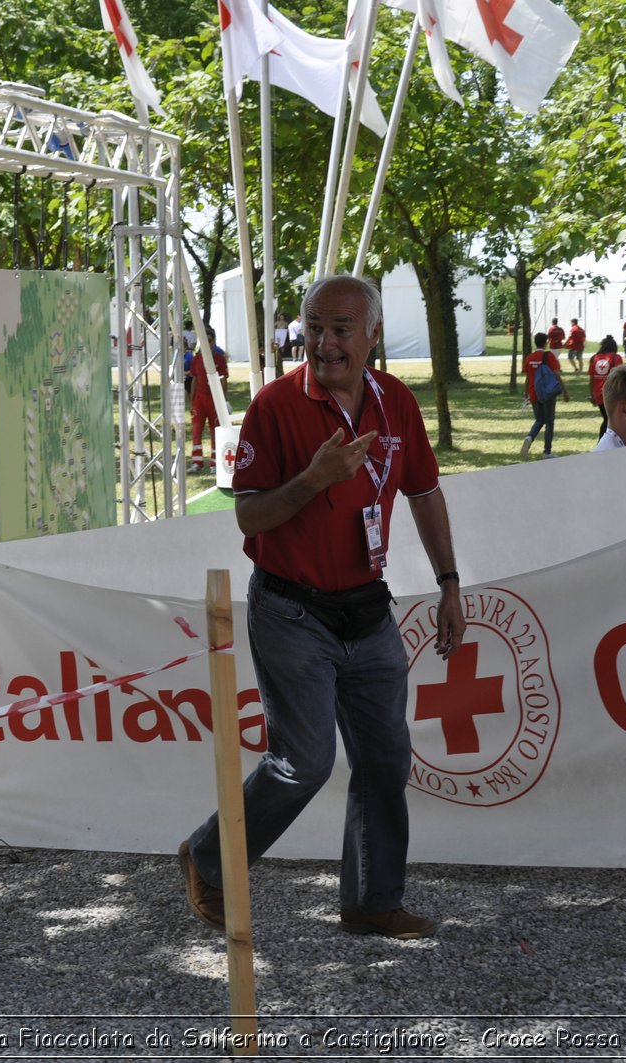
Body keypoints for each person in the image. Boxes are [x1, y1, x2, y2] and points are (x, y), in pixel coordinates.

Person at [178, 274, 466, 941]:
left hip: (367, 610)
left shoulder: (396, 402)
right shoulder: (276, 405)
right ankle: (209, 858)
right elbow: (249, 513)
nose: (325, 343)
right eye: (313, 327)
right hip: (292, 609)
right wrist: (314, 479)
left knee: (387, 757)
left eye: (341, 329)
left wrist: (450, 581)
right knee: (302, 762)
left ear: (372, 334)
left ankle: (372, 899)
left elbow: (423, 493)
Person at [520, 331, 571, 459]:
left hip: (534, 393)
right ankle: (547, 452)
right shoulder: (550, 357)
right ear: (547, 342)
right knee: (549, 422)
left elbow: (527, 378)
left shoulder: (529, 358)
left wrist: (526, 394)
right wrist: (564, 390)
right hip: (547, 393)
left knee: (539, 420)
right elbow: (556, 374)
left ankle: (529, 437)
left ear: (535, 343)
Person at [188, 326, 229, 473]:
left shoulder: (219, 359)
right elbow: (194, 379)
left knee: (215, 432)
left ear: (213, 340)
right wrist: (192, 400)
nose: (207, 343)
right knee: (196, 431)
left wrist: (223, 401)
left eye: (209, 340)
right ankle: (197, 462)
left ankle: (215, 462)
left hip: (214, 399)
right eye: (204, 340)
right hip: (199, 400)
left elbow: (224, 380)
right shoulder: (197, 359)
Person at [588, 335, 624, 440]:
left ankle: (605, 442)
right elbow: (620, 376)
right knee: (611, 420)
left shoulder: (595, 358)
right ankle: (604, 443)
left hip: (599, 395)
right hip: (611, 394)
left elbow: (592, 379)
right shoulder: (616, 357)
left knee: (608, 418)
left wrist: (592, 395)